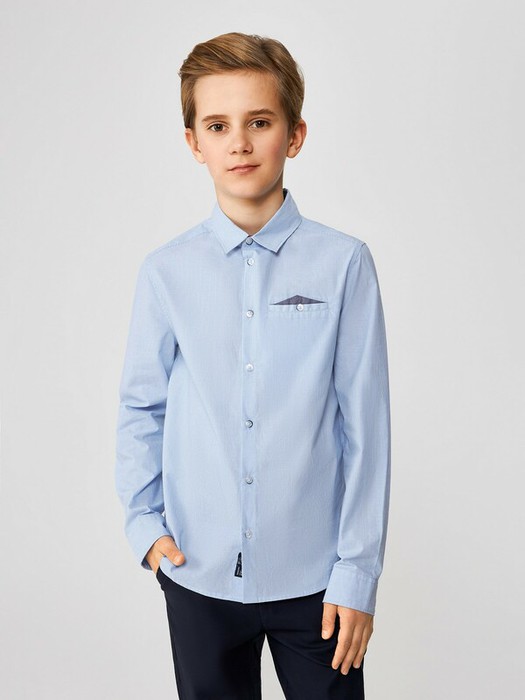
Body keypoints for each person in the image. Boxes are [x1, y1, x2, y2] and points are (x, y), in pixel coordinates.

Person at [115, 31, 391, 700]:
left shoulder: (343, 264)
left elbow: (365, 427)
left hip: (317, 583)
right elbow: (141, 408)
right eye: (218, 126)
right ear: (194, 143)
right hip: (198, 573)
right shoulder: (165, 273)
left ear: (294, 135)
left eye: (259, 122)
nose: (238, 142)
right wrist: (145, 527)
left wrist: (356, 574)